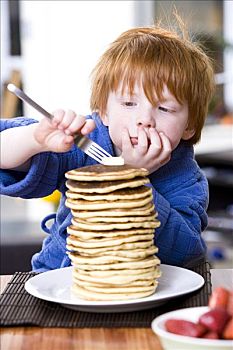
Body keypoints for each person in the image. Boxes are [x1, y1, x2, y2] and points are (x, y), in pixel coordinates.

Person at [0, 22, 215, 272]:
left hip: (145, 289)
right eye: (128, 103)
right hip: (62, 279)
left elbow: (186, 251)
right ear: (103, 111)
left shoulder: (187, 179)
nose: (144, 119)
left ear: (189, 125)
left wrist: (131, 177)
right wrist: (35, 140)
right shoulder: (85, 141)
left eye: (165, 108)